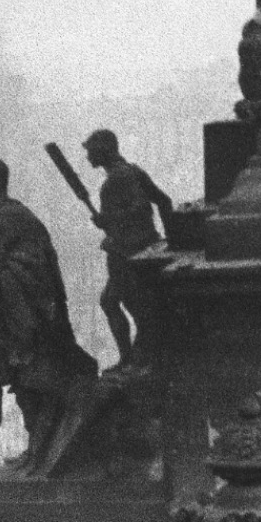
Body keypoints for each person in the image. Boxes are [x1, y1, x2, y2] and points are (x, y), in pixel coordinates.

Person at [0, 156, 97, 482]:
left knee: (11, 384)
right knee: (6, 384)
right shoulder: (3, 218)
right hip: (0, 315)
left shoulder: (11, 218)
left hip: (12, 318)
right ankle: (7, 453)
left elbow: (25, 268)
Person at [83, 128, 177, 371]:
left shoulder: (117, 179)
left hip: (127, 254)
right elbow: (163, 201)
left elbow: (141, 208)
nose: (88, 156)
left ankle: (133, 358)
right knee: (120, 303)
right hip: (140, 250)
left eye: (91, 150)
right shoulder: (132, 171)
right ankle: (135, 356)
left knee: (127, 306)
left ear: (104, 150)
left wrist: (109, 219)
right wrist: (170, 242)